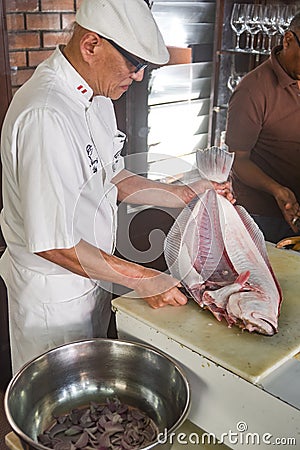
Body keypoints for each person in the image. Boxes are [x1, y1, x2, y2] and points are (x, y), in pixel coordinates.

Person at [0, 0, 233, 374]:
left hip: (92, 279)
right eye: (134, 64)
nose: (139, 77)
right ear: (91, 45)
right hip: (54, 297)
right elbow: (53, 244)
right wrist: (143, 278)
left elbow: (111, 175)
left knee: (89, 400)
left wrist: (185, 193)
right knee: (59, 413)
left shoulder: (97, 97)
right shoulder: (47, 114)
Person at [225, 12, 300, 244]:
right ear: (288, 40)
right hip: (264, 217)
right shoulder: (253, 90)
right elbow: (237, 160)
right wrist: (277, 189)